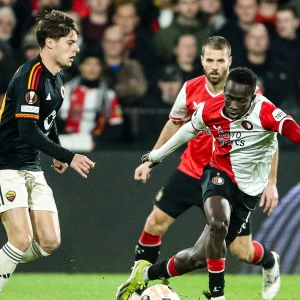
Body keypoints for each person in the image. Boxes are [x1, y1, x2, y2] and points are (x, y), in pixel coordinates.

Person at [116, 67, 297, 300]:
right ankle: (216, 295)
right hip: (218, 174)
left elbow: (294, 133)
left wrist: (272, 182)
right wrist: (156, 156)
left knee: (198, 257)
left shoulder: (267, 112)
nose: (232, 105)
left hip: (248, 191)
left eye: (240, 101)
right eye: (229, 98)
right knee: (218, 223)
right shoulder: (212, 107)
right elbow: (187, 130)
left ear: (253, 98)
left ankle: (147, 274)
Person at [0, 10, 95, 292]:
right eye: (70, 42)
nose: (76, 48)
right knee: (19, 240)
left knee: (50, 242)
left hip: (32, 166)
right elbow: (27, 130)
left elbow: (48, 121)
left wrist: (55, 151)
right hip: (6, 167)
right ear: (50, 42)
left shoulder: (57, 79)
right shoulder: (31, 76)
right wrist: (68, 155)